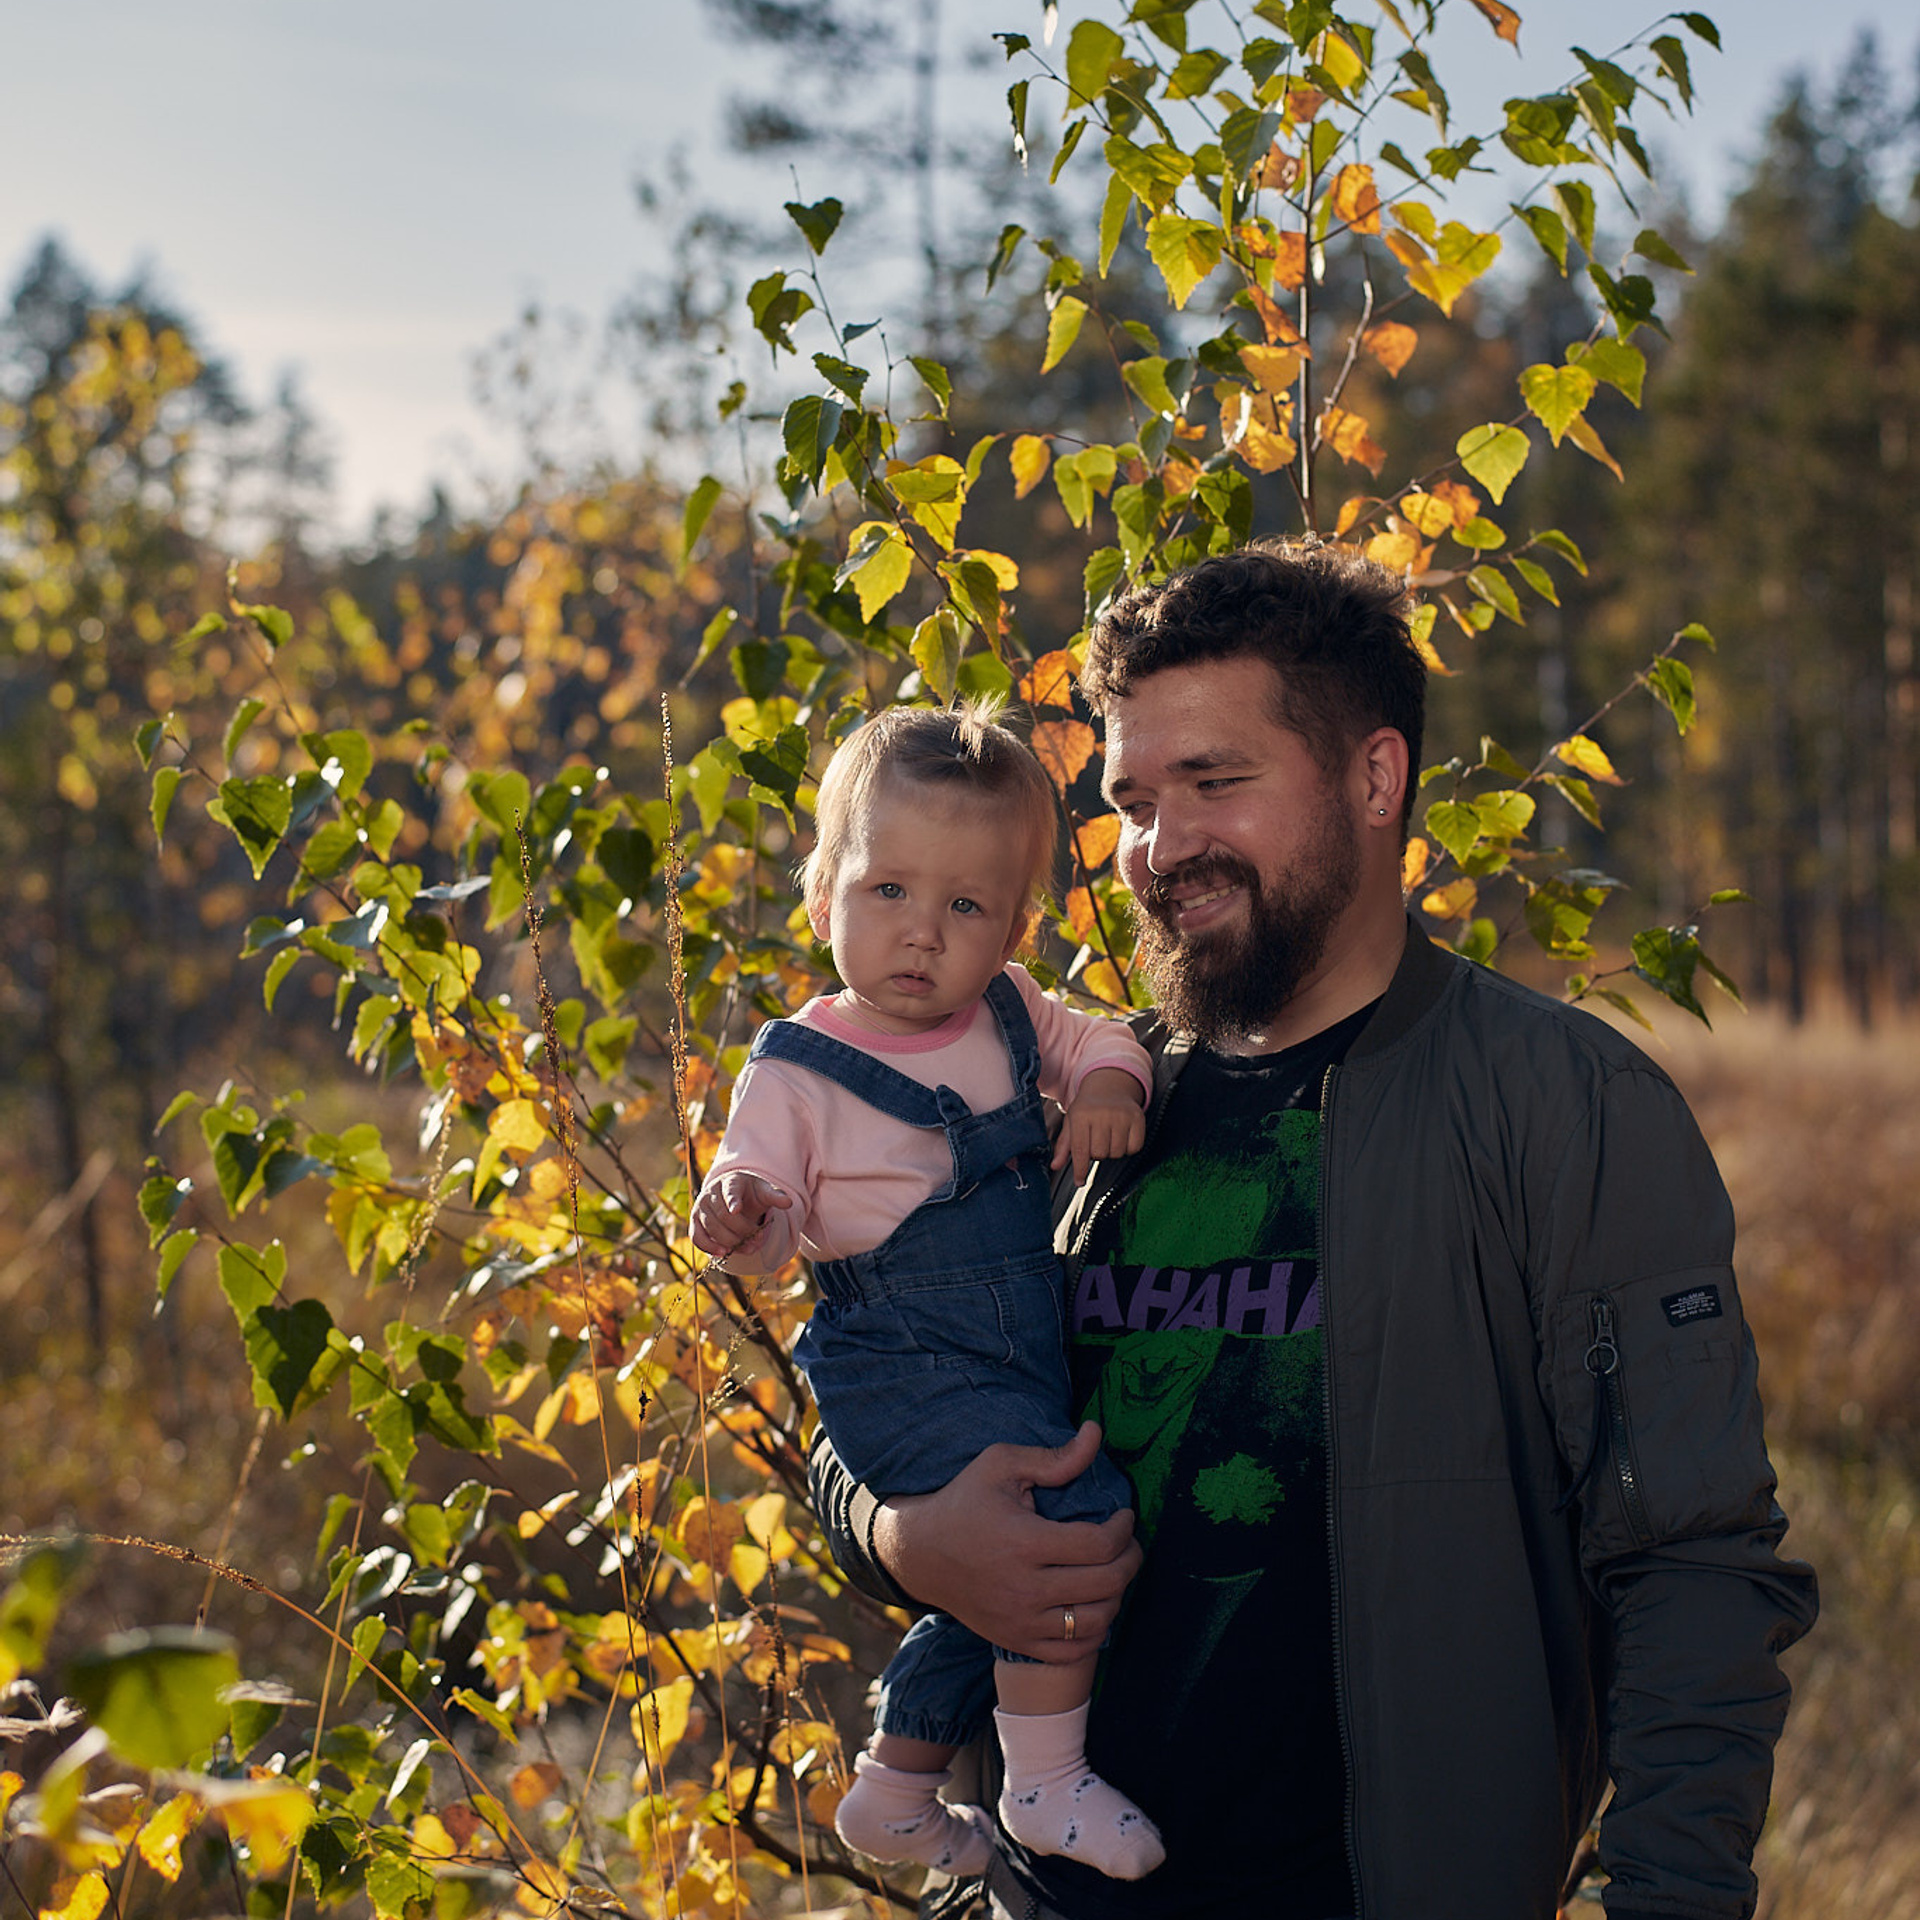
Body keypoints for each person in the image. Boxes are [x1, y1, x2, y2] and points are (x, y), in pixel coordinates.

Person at [810, 539, 1819, 1920]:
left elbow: (1692, 1562)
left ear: (1376, 777)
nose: (1163, 851)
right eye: (1136, 802)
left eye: (1217, 784)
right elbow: (886, 1372)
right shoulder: (1071, 1104)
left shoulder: (1562, 1106)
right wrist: (898, 1530)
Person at [691, 705, 1168, 1885]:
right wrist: (742, 1212)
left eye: (965, 908)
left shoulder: (1010, 1011)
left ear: (1012, 925)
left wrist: (1108, 1085)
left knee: (996, 1572)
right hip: (893, 1358)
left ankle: (896, 1792)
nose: (922, 935)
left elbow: (1107, 1038)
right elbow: (760, 1194)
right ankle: (1044, 1784)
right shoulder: (797, 1065)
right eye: (888, 890)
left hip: (1011, 1355)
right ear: (822, 895)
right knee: (1071, 1515)